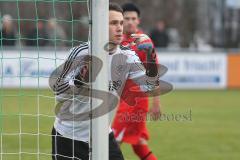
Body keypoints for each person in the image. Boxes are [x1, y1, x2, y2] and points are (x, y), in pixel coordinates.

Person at [49, 3, 160, 160]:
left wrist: (150, 55)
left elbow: (150, 87)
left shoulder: (127, 56)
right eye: (114, 23)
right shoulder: (81, 53)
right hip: (69, 136)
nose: (120, 28)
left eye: (121, 23)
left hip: (102, 135)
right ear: (100, 25)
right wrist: (80, 80)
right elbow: (59, 94)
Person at [112, 3, 161, 160]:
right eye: (127, 19)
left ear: (138, 21)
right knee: (139, 145)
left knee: (111, 142)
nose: (130, 22)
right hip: (124, 100)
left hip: (134, 102)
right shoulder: (117, 39)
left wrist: (156, 103)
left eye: (133, 19)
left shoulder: (143, 42)